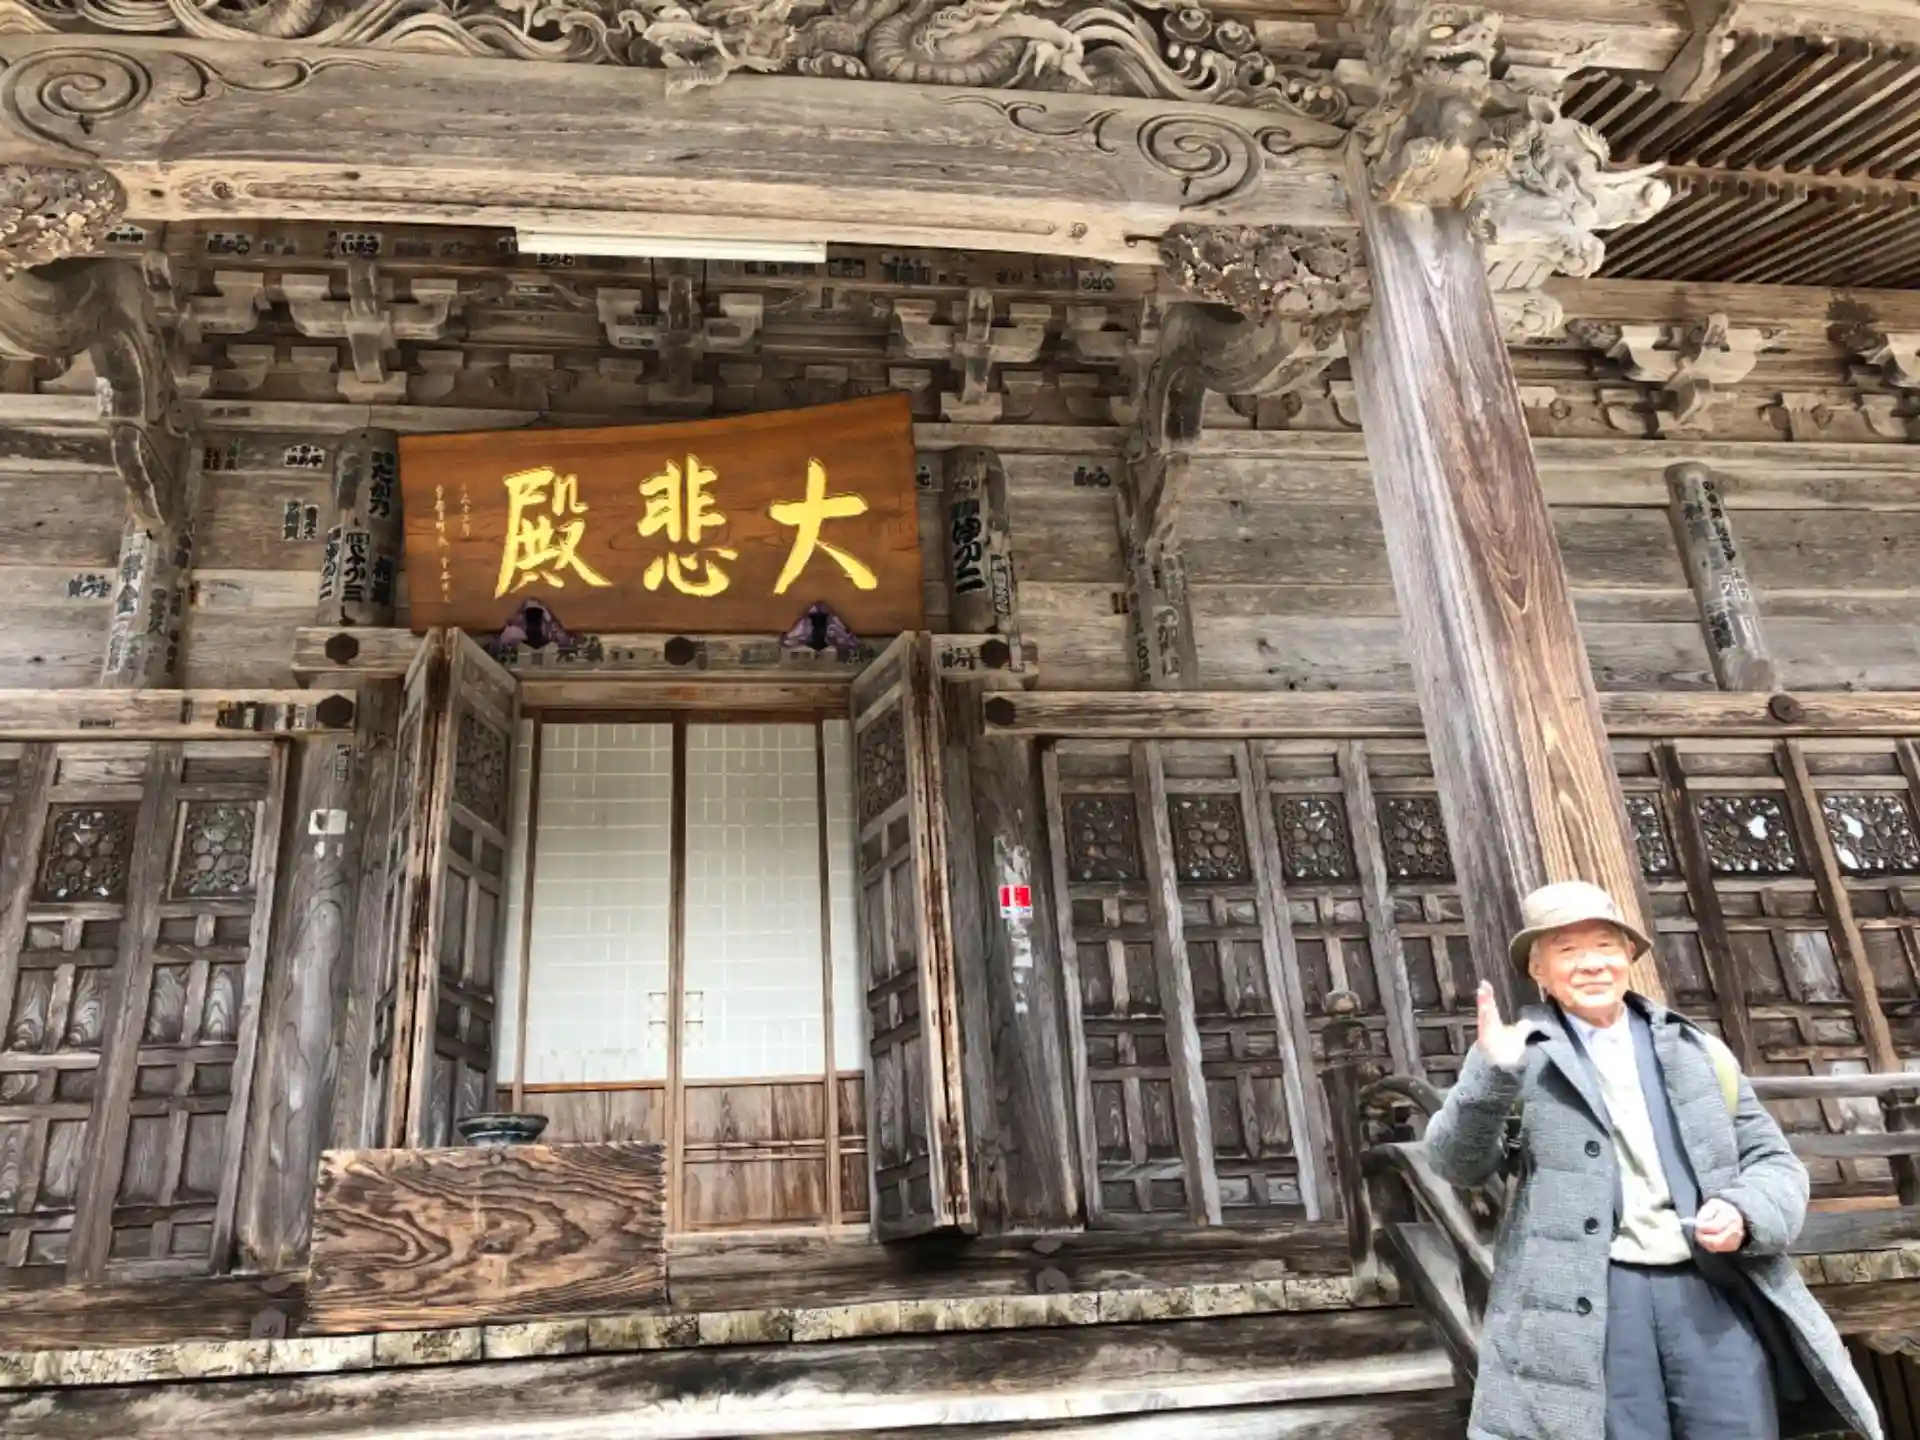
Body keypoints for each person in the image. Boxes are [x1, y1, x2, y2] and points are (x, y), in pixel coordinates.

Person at [1425, 879, 1882, 1440]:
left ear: (1629, 955)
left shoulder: (1695, 1051)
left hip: (1708, 1284)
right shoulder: (1519, 1057)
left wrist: (1745, 1211)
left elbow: (1772, 1159)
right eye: (1567, 950)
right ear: (1538, 970)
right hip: (1593, 1297)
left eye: (1605, 946)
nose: (1591, 963)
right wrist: (1490, 1075)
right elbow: (1456, 1165)